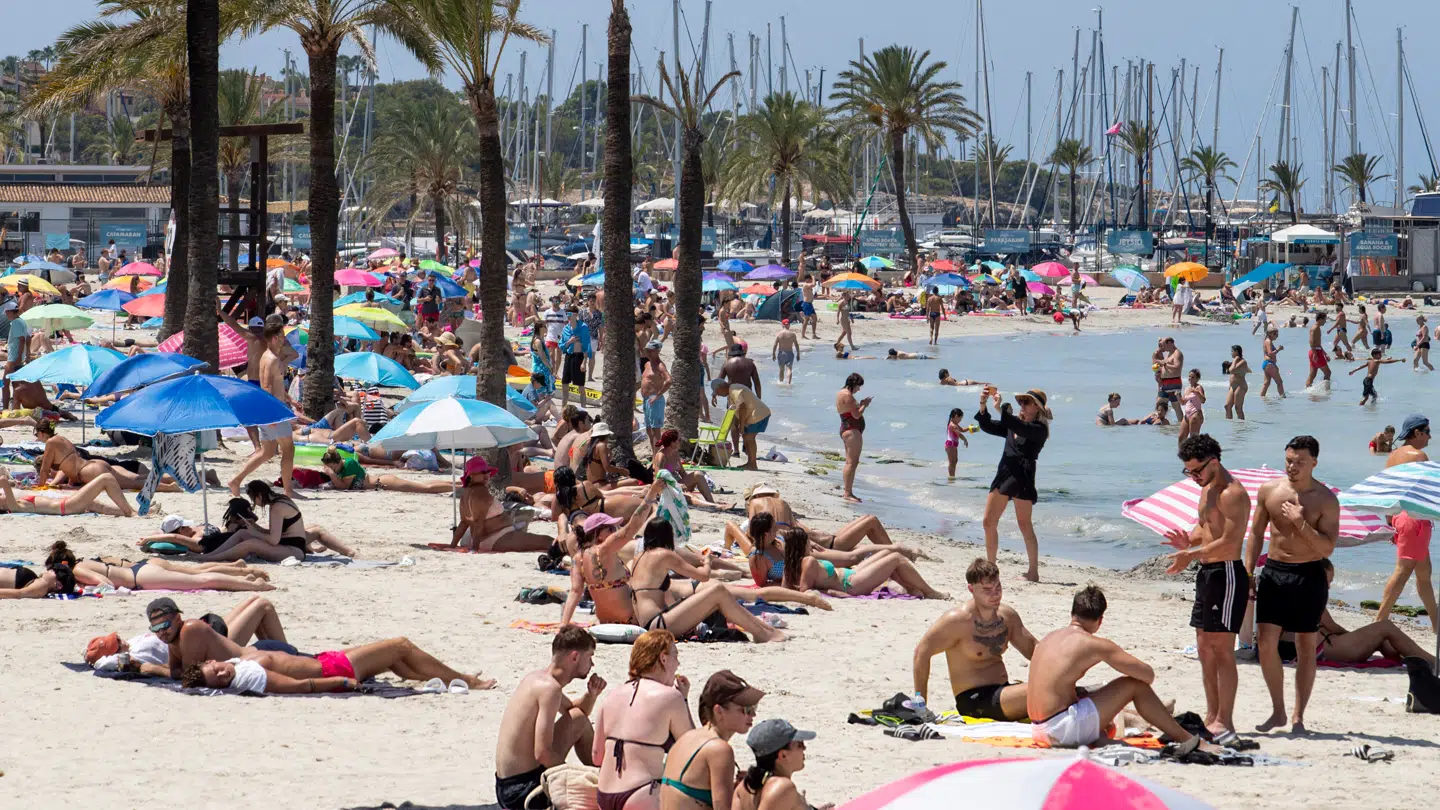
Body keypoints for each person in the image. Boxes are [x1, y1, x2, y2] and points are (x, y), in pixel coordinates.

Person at [1027, 585, 1216, 752]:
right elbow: (1147, 675)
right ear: (1100, 620)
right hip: (1059, 730)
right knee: (1134, 685)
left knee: (1091, 693)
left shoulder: (1048, 639)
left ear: (1072, 613)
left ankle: (1100, 735)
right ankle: (1188, 739)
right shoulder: (1093, 644)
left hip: (1037, 728)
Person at [1244, 435, 1340, 734]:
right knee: (1266, 643)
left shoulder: (1325, 499)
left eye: (1299, 462)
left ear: (1314, 462)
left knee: (1306, 646)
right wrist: (1248, 573)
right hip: (1273, 571)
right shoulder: (1269, 490)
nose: (1292, 466)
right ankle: (1278, 711)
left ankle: (1299, 717)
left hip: (1308, 575)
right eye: (1288, 460)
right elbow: (1257, 534)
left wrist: (1300, 522)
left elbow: (1327, 549)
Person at [1162, 435, 1251, 744]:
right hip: (1207, 573)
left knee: (1222, 650)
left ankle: (1225, 720)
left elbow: (1230, 538)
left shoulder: (1232, 493)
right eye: (1188, 471)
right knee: (1203, 647)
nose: (1193, 476)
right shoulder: (1207, 489)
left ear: (1214, 462)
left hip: (1227, 573)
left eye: (1197, 470)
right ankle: (1212, 715)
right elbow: (1205, 528)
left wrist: (1191, 554)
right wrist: (1188, 541)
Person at [495, 625, 605, 810]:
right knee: (589, 794)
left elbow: (576, 714)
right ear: (575, 657)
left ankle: (602, 775)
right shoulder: (549, 689)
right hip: (522, 792)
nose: (592, 664)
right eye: (590, 657)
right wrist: (576, 775)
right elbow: (543, 753)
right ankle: (604, 781)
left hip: (506, 786)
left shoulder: (538, 679)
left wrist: (591, 695)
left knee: (578, 719)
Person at [911, 558, 1037, 721]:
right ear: (971, 589)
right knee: (1043, 691)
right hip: (974, 700)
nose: (995, 594)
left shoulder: (1007, 616)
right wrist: (920, 703)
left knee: (1063, 690)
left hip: (1003, 692)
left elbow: (1034, 650)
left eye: (998, 587)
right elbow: (921, 652)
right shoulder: (957, 621)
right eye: (987, 589)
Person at [592, 630, 694, 810]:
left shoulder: (611, 696)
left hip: (604, 793)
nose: (678, 663)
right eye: (676, 656)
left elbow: (597, 757)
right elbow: (693, 750)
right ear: (663, 658)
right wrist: (684, 700)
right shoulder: (670, 697)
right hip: (641, 792)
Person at [185, 636, 493, 693]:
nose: (224, 674)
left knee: (396, 659)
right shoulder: (249, 674)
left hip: (325, 659)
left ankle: (449, 680)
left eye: (217, 671)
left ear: (212, 661)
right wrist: (342, 683)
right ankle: (466, 680)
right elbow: (296, 686)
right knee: (401, 645)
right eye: (221, 680)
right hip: (334, 669)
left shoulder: (238, 662)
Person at [561, 482, 667, 625]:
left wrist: (564, 623)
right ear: (598, 535)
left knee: (632, 564)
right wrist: (651, 495)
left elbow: (575, 591)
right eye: (610, 529)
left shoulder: (578, 558)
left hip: (604, 620)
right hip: (630, 619)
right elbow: (633, 526)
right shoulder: (605, 548)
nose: (614, 531)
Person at [660, 671, 762, 810]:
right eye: (746, 709)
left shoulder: (686, 739)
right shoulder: (719, 750)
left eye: (754, 708)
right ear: (719, 711)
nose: (753, 714)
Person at [976, 388, 1050, 582]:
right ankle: (991, 569)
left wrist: (1001, 409)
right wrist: (983, 405)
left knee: (1024, 525)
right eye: (1021, 402)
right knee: (988, 522)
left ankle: (1033, 572)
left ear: (1037, 408)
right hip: (1004, 474)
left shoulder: (1039, 430)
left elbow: (1020, 427)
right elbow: (987, 426)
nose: (1022, 406)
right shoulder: (1013, 425)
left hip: (1023, 477)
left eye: (1027, 403)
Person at [1374, 416, 1437, 631]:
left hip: (1399, 516)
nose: (1430, 435)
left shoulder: (1393, 456)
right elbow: (1427, 491)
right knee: (1402, 571)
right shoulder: (1419, 456)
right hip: (1414, 519)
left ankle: (1436, 623)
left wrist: (1390, 520)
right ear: (1417, 433)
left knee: (1424, 572)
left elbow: (1388, 489)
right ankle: (1379, 620)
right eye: (1427, 431)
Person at [775, 525, 945, 599]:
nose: (810, 544)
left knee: (887, 552)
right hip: (851, 584)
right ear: (800, 545)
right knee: (896, 559)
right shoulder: (809, 561)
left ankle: (912, 589)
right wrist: (832, 592)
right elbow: (806, 591)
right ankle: (930, 592)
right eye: (807, 541)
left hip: (850, 576)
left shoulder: (791, 565)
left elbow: (784, 589)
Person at [228, 324, 297, 498]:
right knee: (288, 449)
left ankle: (236, 481)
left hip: (274, 410)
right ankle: (288, 491)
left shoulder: (273, 357)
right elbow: (266, 386)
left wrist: (290, 399)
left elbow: (276, 386)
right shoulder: (270, 359)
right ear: (275, 338)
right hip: (273, 412)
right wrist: (271, 414)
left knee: (266, 452)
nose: (284, 340)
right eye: (282, 336)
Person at [451, 457, 555, 552]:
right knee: (546, 541)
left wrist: (453, 545)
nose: (486, 475)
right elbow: (479, 523)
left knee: (541, 540)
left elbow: (464, 523)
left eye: (487, 472)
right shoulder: (481, 492)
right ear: (471, 475)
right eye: (482, 472)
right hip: (495, 537)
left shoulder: (466, 493)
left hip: (473, 538)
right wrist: (474, 549)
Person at [200, 480, 312, 562]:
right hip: (287, 545)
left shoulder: (277, 508)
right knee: (242, 533)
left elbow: (273, 540)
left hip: (294, 551)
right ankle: (211, 555)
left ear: (259, 495)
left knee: (251, 544)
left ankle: (211, 558)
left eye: (253, 499)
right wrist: (256, 527)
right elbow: (275, 534)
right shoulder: (281, 500)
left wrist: (255, 533)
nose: (254, 503)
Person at [731, 719, 815, 810]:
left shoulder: (744, 787)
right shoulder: (782, 787)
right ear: (783, 755)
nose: (804, 748)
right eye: (800, 745)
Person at [0, 468, 134, 516]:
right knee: (106, 478)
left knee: (95, 504)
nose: (2, 494)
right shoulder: (15, 507)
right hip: (67, 506)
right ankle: (130, 512)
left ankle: (131, 511)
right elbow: (4, 481)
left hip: (66, 504)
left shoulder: (16, 503)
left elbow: (7, 485)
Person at [318, 448, 455, 494]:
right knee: (423, 486)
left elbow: (343, 487)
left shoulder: (349, 464)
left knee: (424, 488)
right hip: (382, 482)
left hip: (383, 482)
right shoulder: (343, 467)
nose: (332, 470)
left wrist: (331, 474)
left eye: (333, 467)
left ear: (337, 462)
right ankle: (457, 484)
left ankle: (457, 487)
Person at [710, 379, 770, 472]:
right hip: (753, 415)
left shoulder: (734, 390)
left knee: (749, 438)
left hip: (758, 414)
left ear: (721, 387)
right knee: (747, 437)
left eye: (717, 392)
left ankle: (753, 464)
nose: (718, 395)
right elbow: (735, 411)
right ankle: (750, 463)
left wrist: (741, 426)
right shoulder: (731, 392)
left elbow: (742, 408)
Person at [835, 373, 871, 503]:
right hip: (851, 430)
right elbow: (856, 415)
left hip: (847, 428)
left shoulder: (841, 393)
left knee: (850, 462)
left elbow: (850, 410)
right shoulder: (847, 395)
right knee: (852, 462)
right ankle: (847, 493)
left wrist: (860, 404)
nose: (859, 389)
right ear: (853, 384)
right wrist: (864, 405)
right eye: (858, 386)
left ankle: (848, 491)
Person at [641, 339, 671, 449]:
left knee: (655, 430)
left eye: (651, 351)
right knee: (649, 430)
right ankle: (655, 456)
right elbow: (644, 381)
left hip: (654, 400)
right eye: (647, 350)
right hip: (645, 399)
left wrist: (657, 396)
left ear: (657, 351)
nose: (648, 353)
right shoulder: (647, 364)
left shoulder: (660, 366)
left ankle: (657, 457)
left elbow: (669, 381)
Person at [561, 305, 592, 408]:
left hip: (579, 357)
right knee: (565, 384)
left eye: (573, 314)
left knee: (581, 387)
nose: (571, 316)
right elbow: (562, 346)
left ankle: (583, 409)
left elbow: (587, 345)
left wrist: (584, 362)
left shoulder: (583, 327)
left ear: (577, 315)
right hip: (569, 357)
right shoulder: (565, 328)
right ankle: (563, 409)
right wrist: (569, 342)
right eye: (569, 314)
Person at [2, 300, 31, 410]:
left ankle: (4, 409)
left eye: (7, 313)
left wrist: (18, 357)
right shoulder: (22, 321)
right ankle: (15, 408)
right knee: (15, 385)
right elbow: (28, 338)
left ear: (11, 312)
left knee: (5, 384)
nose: (6, 315)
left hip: (13, 358)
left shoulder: (15, 323)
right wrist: (26, 354)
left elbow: (22, 339)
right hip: (18, 356)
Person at [1154, 336, 1184, 423]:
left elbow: (1177, 367)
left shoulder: (1177, 353)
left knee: (1176, 406)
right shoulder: (1169, 353)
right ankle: (1161, 424)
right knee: (1159, 404)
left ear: (1170, 343)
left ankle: (1181, 424)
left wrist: (1164, 364)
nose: (1163, 348)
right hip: (1165, 383)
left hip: (1174, 383)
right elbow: (1165, 365)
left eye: (1164, 345)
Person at [1177, 369, 1205, 447]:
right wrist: (1178, 396)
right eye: (1189, 376)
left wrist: (1197, 393)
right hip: (1187, 415)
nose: (1190, 378)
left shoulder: (1199, 387)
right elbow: (1182, 402)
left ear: (1197, 379)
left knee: (1193, 439)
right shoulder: (1187, 388)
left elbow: (1203, 400)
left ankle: (1196, 456)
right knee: (1181, 437)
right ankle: (1182, 456)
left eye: (1193, 377)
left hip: (1196, 413)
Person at [1304, 312, 1332, 390]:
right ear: (1320, 319)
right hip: (1315, 352)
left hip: (1315, 351)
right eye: (1324, 320)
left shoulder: (1316, 327)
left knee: (1312, 374)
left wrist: (1325, 353)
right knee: (1328, 373)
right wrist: (1315, 354)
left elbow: (1318, 343)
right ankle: (1327, 391)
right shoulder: (1315, 328)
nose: (1325, 322)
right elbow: (1311, 341)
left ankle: (1308, 391)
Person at [1224, 345, 1250, 420]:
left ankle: (1241, 426)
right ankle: (1229, 424)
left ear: (1236, 352)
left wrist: (1235, 359)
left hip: (1240, 386)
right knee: (1227, 406)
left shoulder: (1242, 361)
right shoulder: (1235, 362)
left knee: (1238, 408)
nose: (1231, 353)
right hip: (1233, 386)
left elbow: (1231, 370)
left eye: (1232, 351)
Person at [1259, 326, 1285, 398]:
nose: (1277, 336)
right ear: (1270, 334)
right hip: (1269, 364)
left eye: (1277, 334)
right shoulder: (1268, 341)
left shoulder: (1267, 341)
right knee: (1279, 382)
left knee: (1266, 383)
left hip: (1268, 363)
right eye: (1275, 334)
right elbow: (1270, 353)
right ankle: (1283, 398)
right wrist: (1278, 349)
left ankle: (1262, 398)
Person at [771, 320, 800, 384]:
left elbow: (775, 344)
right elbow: (796, 344)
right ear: (789, 325)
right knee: (789, 369)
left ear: (782, 325)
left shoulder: (779, 334)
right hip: (789, 353)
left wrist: (773, 354)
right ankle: (788, 383)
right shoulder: (792, 334)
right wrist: (798, 354)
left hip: (781, 353)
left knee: (781, 369)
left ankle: (781, 382)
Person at [944, 408, 968, 479]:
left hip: (953, 446)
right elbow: (959, 434)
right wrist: (965, 440)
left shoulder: (955, 424)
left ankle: (952, 476)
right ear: (956, 416)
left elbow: (962, 430)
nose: (960, 420)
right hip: (950, 445)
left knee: (955, 461)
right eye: (960, 419)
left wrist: (970, 428)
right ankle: (951, 477)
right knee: (952, 462)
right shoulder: (952, 425)